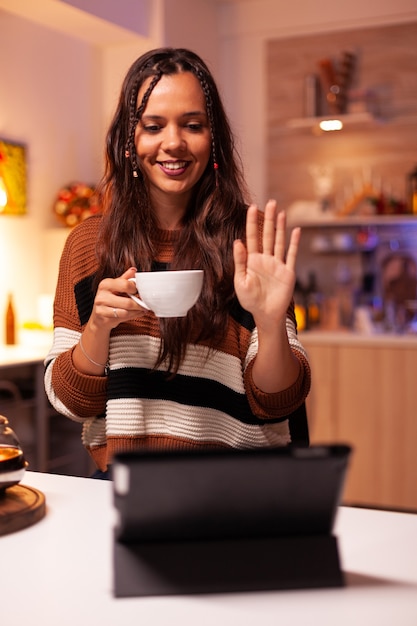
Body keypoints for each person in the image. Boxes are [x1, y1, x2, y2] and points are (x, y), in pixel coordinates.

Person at [44, 47, 311, 478]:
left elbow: (279, 402)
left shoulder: (246, 240)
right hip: (122, 489)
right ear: (130, 140)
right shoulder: (89, 243)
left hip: (236, 491)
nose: (173, 143)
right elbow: (71, 402)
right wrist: (98, 327)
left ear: (213, 138)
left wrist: (269, 321)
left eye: (193, 125)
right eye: (153, 126)